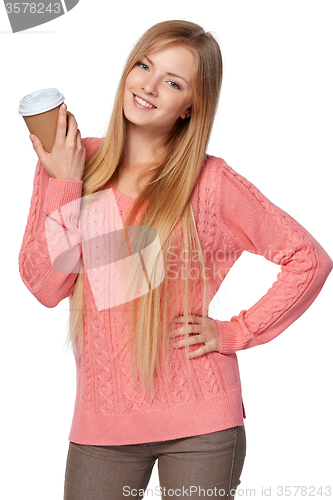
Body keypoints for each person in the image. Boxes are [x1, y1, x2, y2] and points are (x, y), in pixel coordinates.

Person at [19, 20, 332, 500]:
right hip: (102, 426)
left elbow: (308, 259)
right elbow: (46, 287)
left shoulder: (211, 182)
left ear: (191, 107)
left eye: (173, 81)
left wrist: (235, 332)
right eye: (144, 65)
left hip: (202, 425)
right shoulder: (73, 162)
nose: (148, 85)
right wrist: (64, 182)